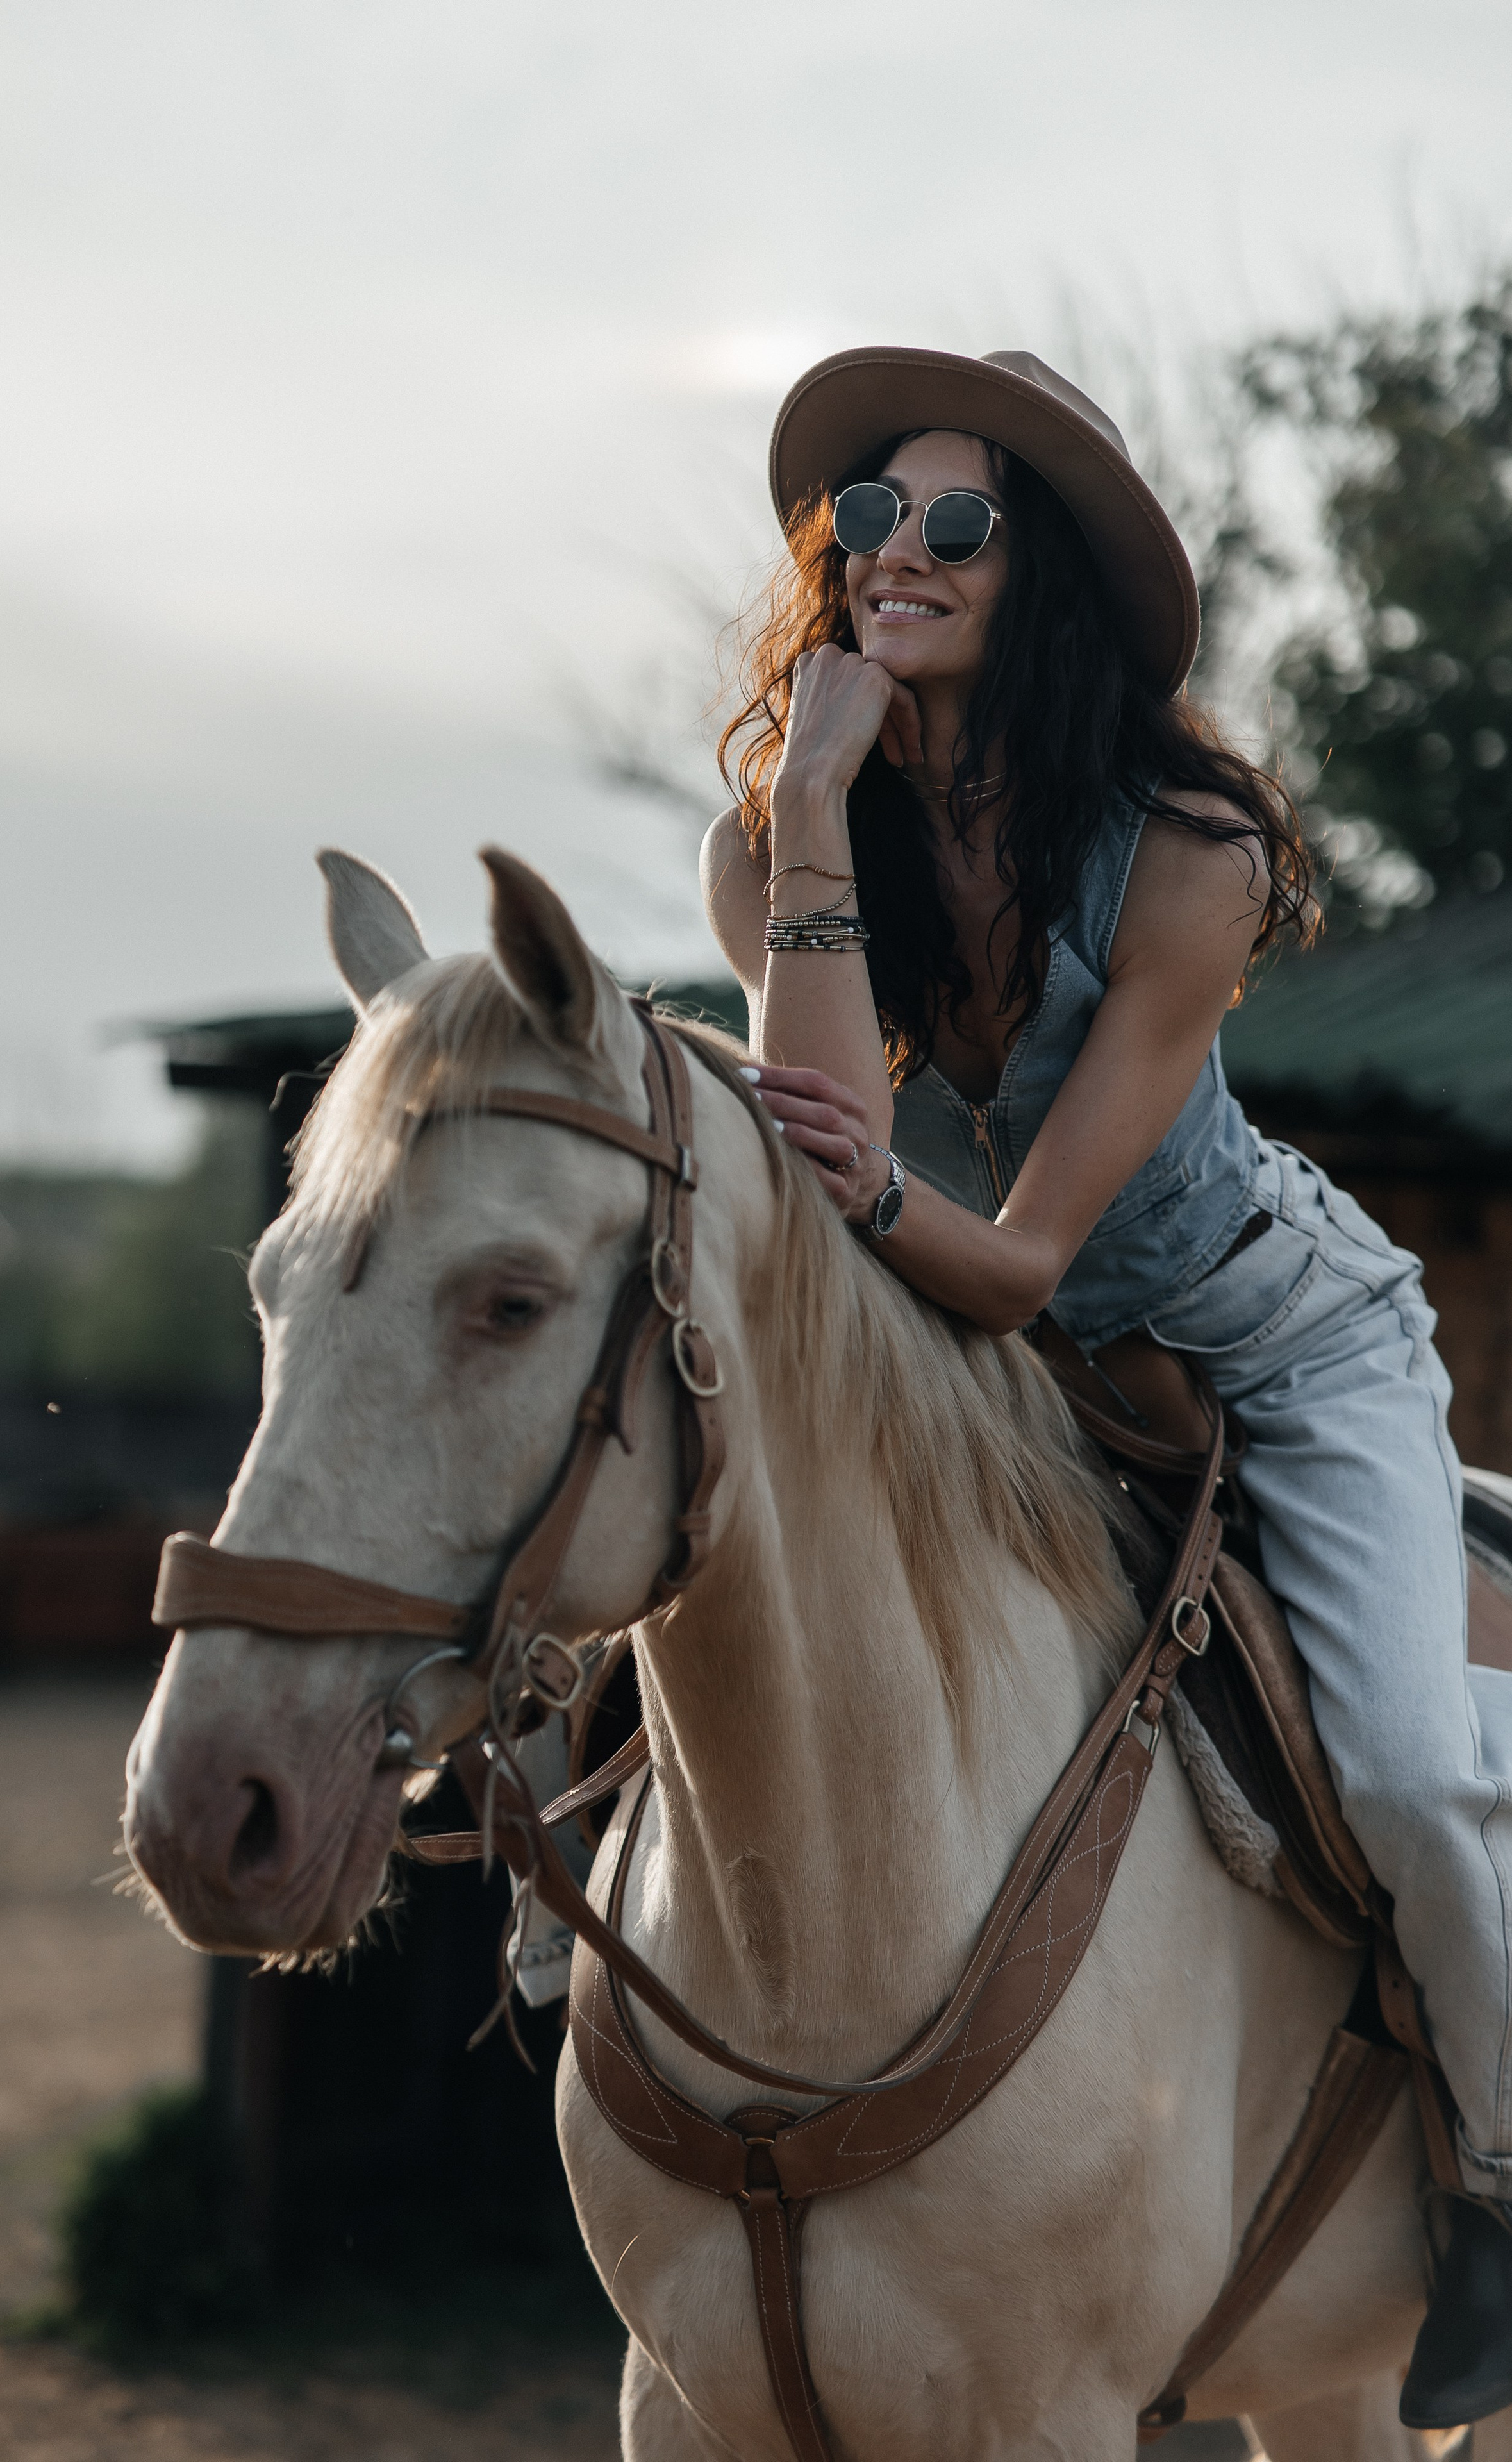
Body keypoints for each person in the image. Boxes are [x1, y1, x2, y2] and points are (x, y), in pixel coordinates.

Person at [701, 345, 1512, 2431]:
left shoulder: (1188, 852)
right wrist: (812, 807)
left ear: (1037, 574)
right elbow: (824, 1178)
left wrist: (870, 1193)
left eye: (955, 523)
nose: (896, 551)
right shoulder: (782, 837)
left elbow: (1007, 1252)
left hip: (1265, 1344)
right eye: (867, 513)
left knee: (1410, 1772)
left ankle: (1502, 2181)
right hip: (1005, 1363)